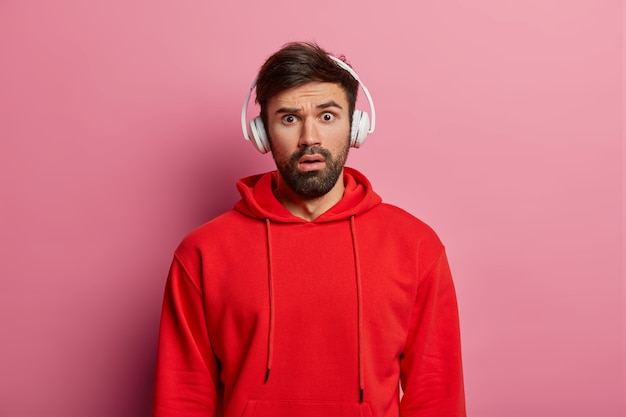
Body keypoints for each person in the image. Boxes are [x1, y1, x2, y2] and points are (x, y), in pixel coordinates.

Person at [153, 41, 466, 417]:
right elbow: (183, 397)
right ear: (262, 134)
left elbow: (436, 395)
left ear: (356, 126)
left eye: (328, 116)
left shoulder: (415, 247)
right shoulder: (202, 253)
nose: (309, 138)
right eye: (288, 118)